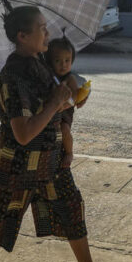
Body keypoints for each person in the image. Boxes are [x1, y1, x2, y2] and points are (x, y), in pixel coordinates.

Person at [0, 6, 130, 262]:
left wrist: (72, 98)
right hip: (17, 163)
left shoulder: (39, 63)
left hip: (51, 160)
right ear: (22, 36)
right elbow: (23, 133)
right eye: (41, 28)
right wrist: (56, 101)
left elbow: (55, 103)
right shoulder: (13, 75)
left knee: (71, 209)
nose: (48, 33)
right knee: (1, 217)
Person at [45, 36, 87, 170]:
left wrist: (64, 105)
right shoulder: (49, 76)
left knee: (64, 129)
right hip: (52, 109)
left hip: (65, 110)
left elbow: (74, 96)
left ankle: (69, 152)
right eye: (58, 61)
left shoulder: (70, 78)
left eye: (67, 60)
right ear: (50, 62)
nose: (63, 64)